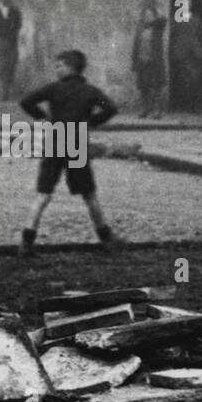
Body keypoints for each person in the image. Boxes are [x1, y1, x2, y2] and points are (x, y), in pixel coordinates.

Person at [17, 49, 119, 257]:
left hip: (55, 142)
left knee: (43, 194)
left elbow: (26, 101)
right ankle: (107, 239)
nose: (56, 69)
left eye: (59, 65)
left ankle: (27, 240)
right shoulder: (90, 91)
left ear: (70, 67)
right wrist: (90, 123)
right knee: (89, 195)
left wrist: (43, 118)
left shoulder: (54, 89)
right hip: (77, 144)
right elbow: (110, 108)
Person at [131, 4, 166, 118]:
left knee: (156, 87)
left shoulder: (157, 28)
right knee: (143, 87)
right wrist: (134, 62)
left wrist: (157, 14)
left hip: (154, 61)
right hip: (142, 61)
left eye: (150, 15)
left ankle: (157, 111)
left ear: (154, 16)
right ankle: (145, 109)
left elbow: (163, 20)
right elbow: (135, 46)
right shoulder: (140, 29)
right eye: (146, 15)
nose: (147, 17)